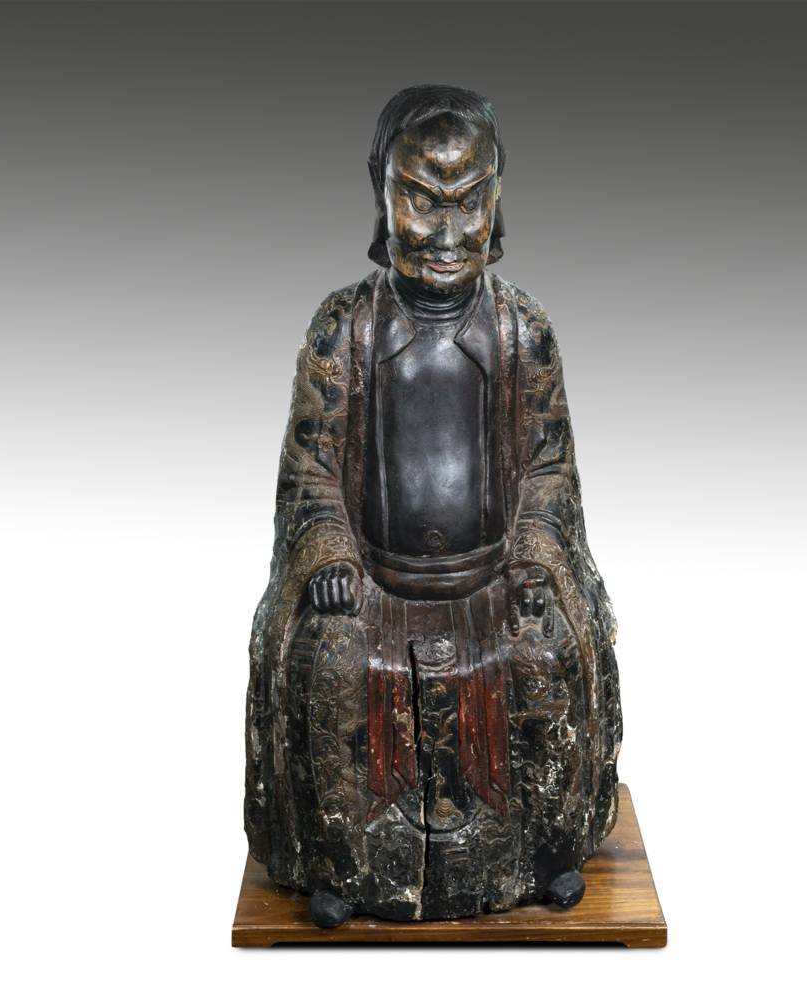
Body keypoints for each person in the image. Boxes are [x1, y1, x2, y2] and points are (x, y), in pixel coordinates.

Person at [245, 85, 622, 925]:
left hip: (494, 579)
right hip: (375, 584)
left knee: (547, 652)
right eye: (420, 199)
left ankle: (547, 849)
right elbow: (311, 469)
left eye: (468, 199)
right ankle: (338, 860)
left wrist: (536, 557)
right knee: (328, 661)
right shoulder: (344, 329)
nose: (446, 232)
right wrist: (330, 556)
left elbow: (548, 468)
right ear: (379, 191)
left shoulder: (522, 330)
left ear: (499, 197)